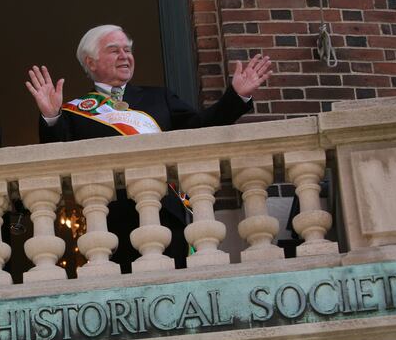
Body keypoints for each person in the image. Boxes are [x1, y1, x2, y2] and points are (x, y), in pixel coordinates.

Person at [25, 24, 272, 271]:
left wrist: (236, 97)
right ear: (91, 63)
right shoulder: (75, 112)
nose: (125, 56)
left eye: (127, 50)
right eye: (114, 50)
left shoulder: (159, 98)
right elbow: (56, 156)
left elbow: (199, 128)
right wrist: (51, 116)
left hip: (167, 214)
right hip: (111, 224)